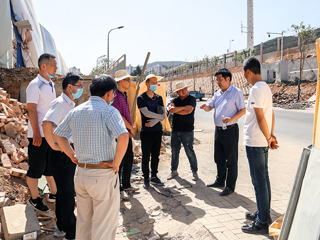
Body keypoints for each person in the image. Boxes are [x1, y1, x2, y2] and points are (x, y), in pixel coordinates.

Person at [54, 75, 129, 240]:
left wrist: (72, 155)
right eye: (114, 94)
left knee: (84, 222)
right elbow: (124, 137)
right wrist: (116, 163)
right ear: (109, 93)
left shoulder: (76, 111)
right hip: (102, 175)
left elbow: (59, 134)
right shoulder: (109, 111)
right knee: (103, 225)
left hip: (81, 173)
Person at [42, 73, 83, 240]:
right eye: (79, 86)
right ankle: (71, 232)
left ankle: (61, 227)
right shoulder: (60, 103)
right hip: (61, 153)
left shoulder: (69, 104)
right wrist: (53, 145)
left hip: (65, 150)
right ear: (70, 87)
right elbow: (46, 122)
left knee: (63, 193)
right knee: (67, 193)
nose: (80, 89)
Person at [241, 57, 278, 234]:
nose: (245, 77)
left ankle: (263, 221)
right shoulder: (266, 87)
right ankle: (263, 212)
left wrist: (269, 136)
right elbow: (271, 115)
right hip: (262, 139)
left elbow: (261, 117)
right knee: (264, 179)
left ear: (248, 72)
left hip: (256, 141)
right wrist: (270, 136)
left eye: (245, 74)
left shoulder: (256, 89)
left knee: (259, 181)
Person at [200, 68, 246, 196]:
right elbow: (211, 107)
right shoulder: (217, 94)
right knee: (218, 157)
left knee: (231, 159)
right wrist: (205, 107)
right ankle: (220, 181)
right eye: (217, 80)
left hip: (230, 130)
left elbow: (242, 110)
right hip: (218, 131)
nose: (218, 82)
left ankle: (230, 186)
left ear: (228, 79)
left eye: (220, 79)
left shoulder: (236, 92)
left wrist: (232, 119)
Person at [26, 53, 57, 212]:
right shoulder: (35, 85)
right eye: (53, 64)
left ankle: (53, 194)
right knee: (36, 168)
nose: (56, 67)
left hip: (49, 134)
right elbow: (31, 109)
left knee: (49, 166)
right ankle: (34, 198)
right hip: (38, 135)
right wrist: (36, 133)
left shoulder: (50, 84)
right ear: (43, 66)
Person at [112, 70, 139, 201]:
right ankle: (118, 188)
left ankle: (126, 184)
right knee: (120, 161)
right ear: (121, 82)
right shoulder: (115, 96)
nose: (130, 82)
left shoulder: (124, 95)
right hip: (119, 133)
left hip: (126, 132)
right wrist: (130, 127)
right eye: (128, 80)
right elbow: (118, 115)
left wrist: (130, 128)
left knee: (129, 158)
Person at [137, 74, 165, 189]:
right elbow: (146, 113)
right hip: (146, 132)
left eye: (155, 82)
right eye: (152, 82)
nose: (154, 84)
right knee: (146, 156)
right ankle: (146, 179)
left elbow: (164, 115)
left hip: (157, 130)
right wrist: (158, 117)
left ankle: (154, 176)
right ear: (147, 84)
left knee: (156, 155)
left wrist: (154, 121)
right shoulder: (141, 98)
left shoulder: (159, 98)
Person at [167, 81, 199, 181]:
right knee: (174, 152)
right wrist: (183, 108)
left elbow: (189, 111)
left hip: (187, 130)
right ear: (177, 92)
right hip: (175, 130)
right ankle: (174, 171)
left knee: (189, 152)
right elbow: (171, 110)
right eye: (180, 90)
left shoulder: (192, 99)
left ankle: (194, 171)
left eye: (184, 89)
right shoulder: (174, 100)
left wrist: (177, 110)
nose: (183, 91)